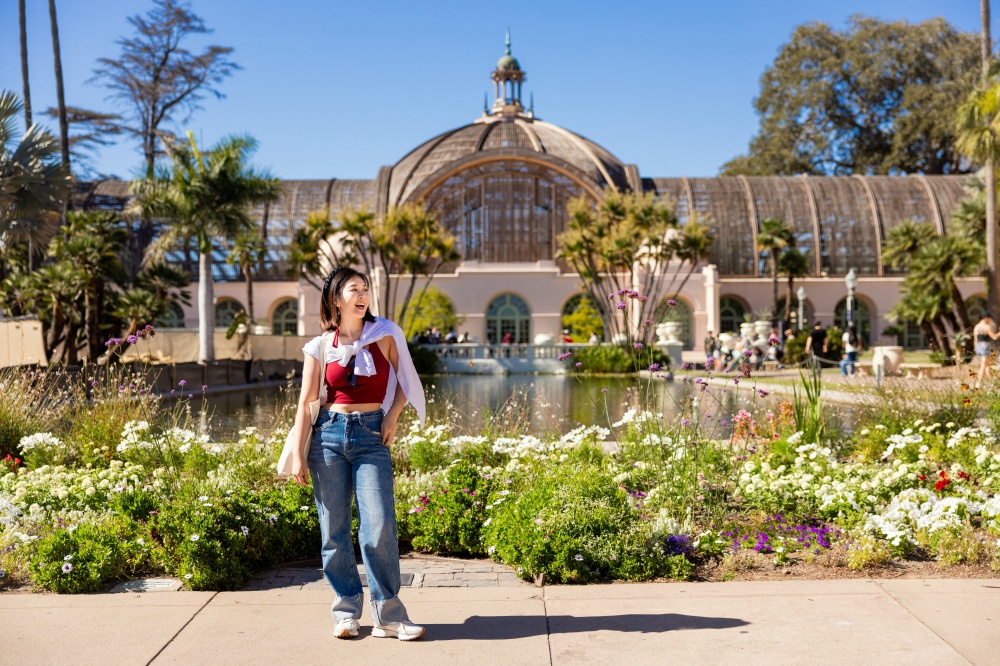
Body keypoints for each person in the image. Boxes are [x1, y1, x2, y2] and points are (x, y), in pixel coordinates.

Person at [290, 266, 427, 641]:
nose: (363, 295)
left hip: (370, 434)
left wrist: (393, 416)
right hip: (327, 439)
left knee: (379, 525)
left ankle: (389, 615)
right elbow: (306, 404)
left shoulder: (385, 335)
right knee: (333, 531)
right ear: (337, 299)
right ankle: (346, 611)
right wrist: (300, 453)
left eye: (365, 289)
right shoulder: (319, 346)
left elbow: (406, 382)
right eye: (354, 289)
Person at [974, 313, 1000, 388]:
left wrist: (976, 348)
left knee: (987, 365)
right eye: (990, 318)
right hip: (984, 346)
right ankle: (978, 383)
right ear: (986, 318)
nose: (991, 320)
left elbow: (975, 339)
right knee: (983, 366)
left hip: (978, 346)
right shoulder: (987, 326)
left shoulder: (976, 327)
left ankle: (993, 382)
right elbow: (994, 337)